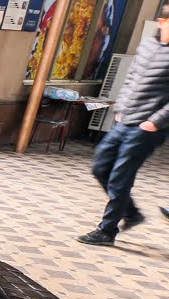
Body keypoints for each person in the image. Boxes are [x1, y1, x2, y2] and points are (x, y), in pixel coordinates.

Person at [78, 2, 169, 246]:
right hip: (125, 119)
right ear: (162, 22)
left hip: (148, 128)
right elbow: (131, 78)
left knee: (120, 176)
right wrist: (121, 107)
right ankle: (131, 213)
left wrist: (155, 122)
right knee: (100, 167)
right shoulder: (148, 45)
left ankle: (107, 231)